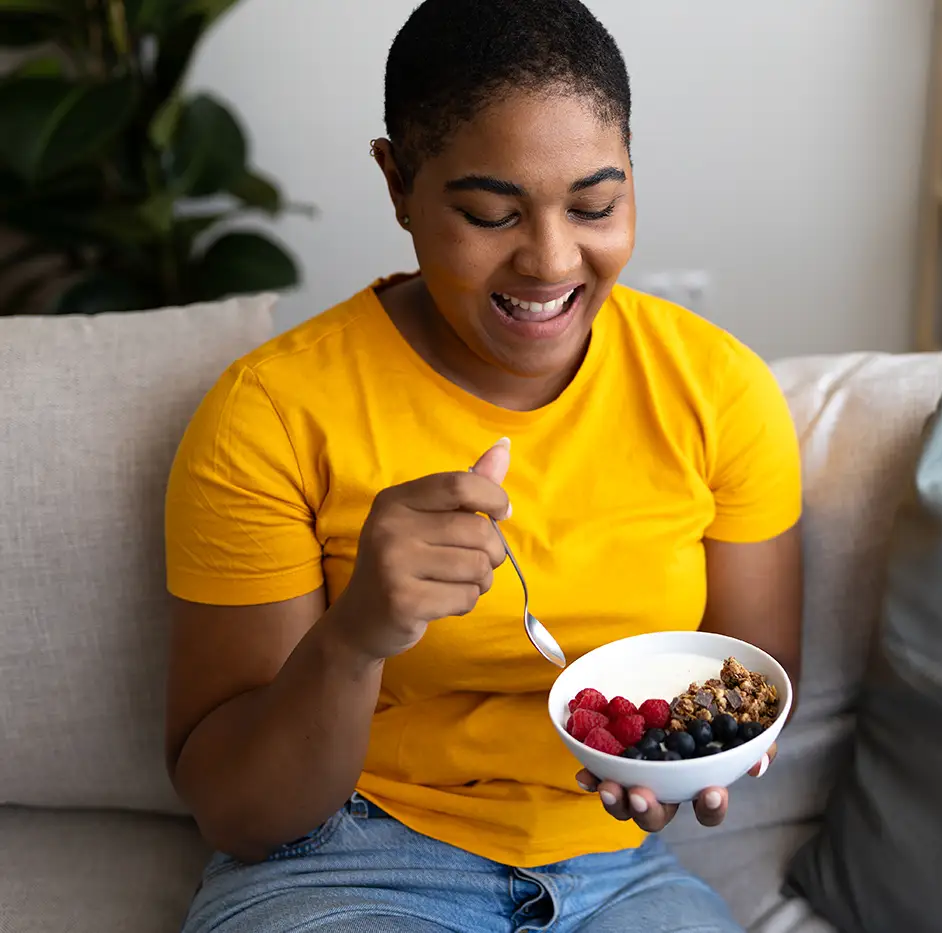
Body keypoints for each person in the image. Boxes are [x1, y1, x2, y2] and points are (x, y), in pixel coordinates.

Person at [161, 1, 803, 931]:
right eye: (489, 212)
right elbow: (236, 810)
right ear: (399, 184)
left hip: (617, 869)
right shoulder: (269, 413)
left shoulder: (718, 389)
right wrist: (357, 635)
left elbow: (758, 674)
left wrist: (685, 759)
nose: (550, 260)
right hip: (343, 862)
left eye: (595, 204)